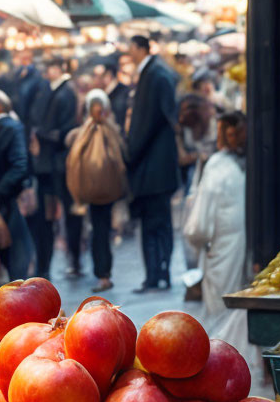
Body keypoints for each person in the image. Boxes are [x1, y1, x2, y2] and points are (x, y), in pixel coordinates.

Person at [124, 34, 182, 293]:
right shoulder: (156, 72)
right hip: (157, 167)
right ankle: (160, 274)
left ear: (139, 48)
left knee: (154, 225)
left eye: (131, 49)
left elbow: (146, 123)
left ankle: (156, 275)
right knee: (159, 224)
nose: (129, 53)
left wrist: (131, 153)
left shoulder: (154, 74)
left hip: (153, 168)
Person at [183, 111, 247, 320]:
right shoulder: (249, 163)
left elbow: (199, 225)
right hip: (239, 246)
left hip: (222, 248)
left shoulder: (217, 166)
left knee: (222, 313)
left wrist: (195, 238)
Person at [65, 89, 128, 293]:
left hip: (93, 192)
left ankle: (102, 273)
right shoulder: (109, 129)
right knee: (100, 231)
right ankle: (102, 273)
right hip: (104, 192)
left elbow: (73, 154)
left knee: (98, 231)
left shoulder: (87, 130)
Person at [31, 55, 82, 277]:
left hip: (58, 165)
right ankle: (60, 262)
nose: (49, 71)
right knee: (51, 216)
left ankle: (74, 260)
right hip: (50, 165)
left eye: (52, 67)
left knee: (66, 215)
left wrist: (41, 135)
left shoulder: (65, 92)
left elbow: (65, 131)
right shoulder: (52, 91)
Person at [0, 90, 34, 280]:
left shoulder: (9, 127)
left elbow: (19, 165)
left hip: (7, 200)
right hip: (2, 198)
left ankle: (19, 291)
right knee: (8, 249)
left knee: (15, 250)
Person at [94, 60, 131, 131]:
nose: (95, 80)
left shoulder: (123, 93)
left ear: (108, 76)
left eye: (98, 76)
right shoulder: (105, 94)